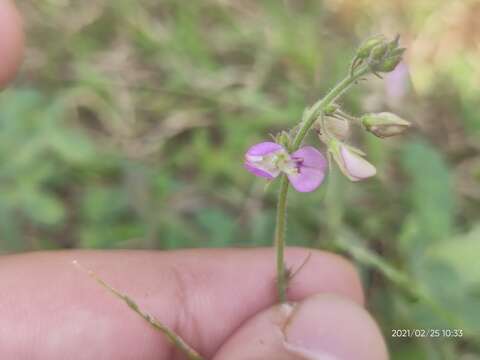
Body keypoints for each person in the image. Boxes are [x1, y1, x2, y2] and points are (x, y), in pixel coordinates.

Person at [0, 1, 387, 359]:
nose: (279, 161)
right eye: (279, 158)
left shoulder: (299, 161)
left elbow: (273, 162)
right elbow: (257, 159)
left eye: (282, 158)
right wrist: (290, 159)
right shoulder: (281, 160)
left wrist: (321, 149)